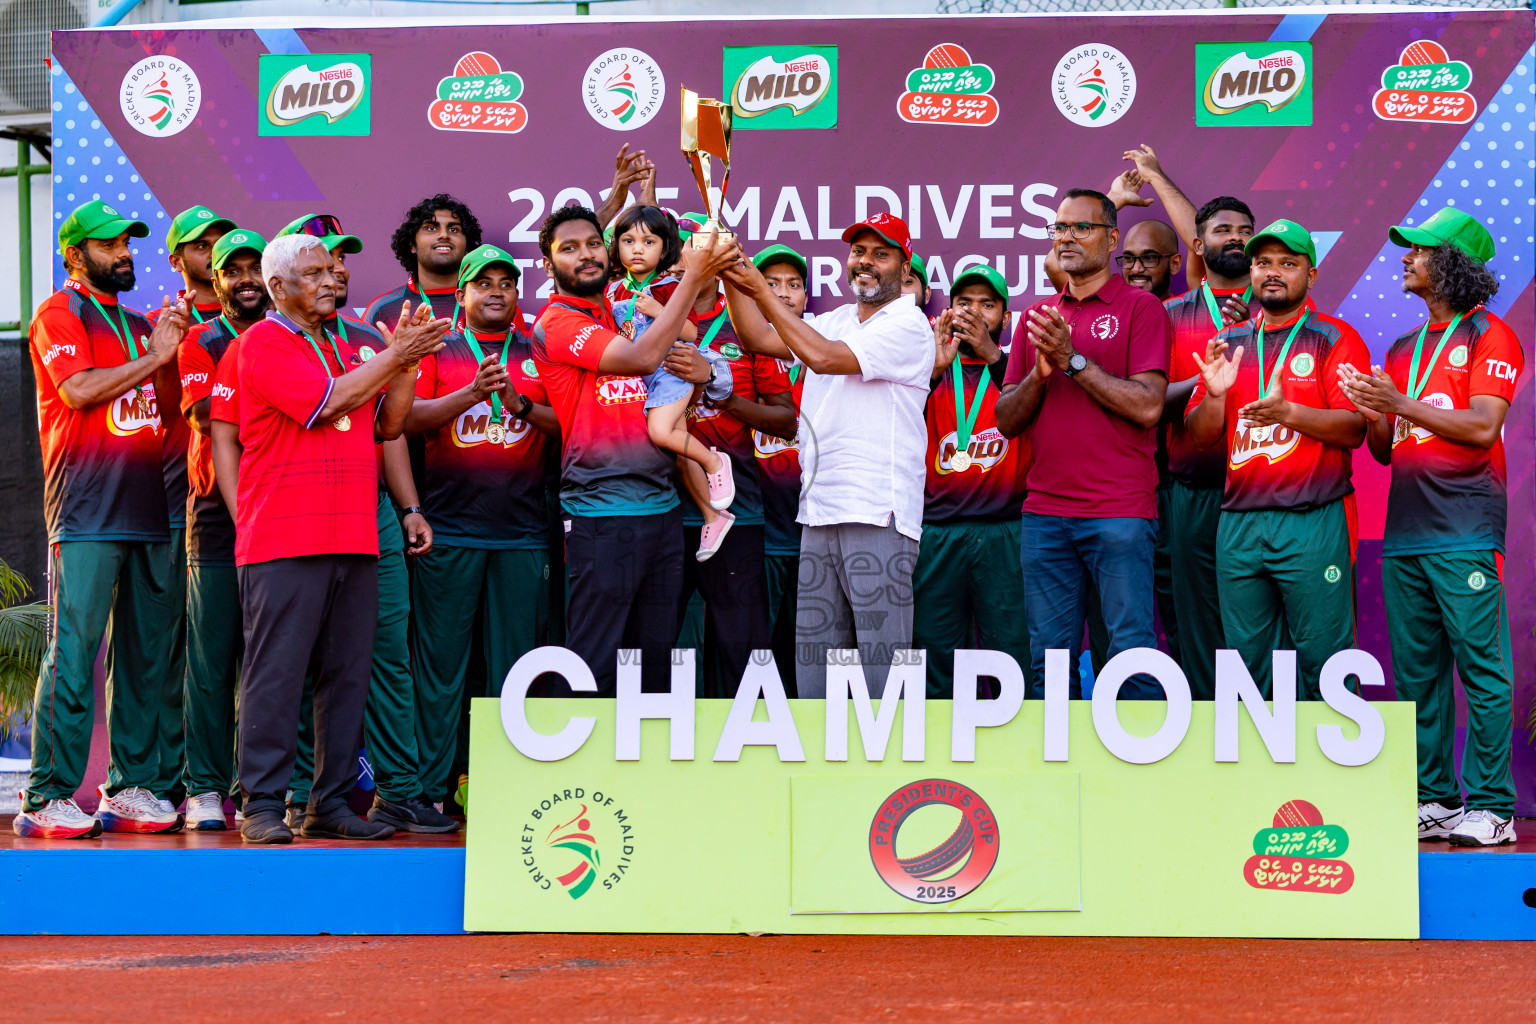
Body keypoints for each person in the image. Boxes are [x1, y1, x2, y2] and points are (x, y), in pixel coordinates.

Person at [233, 233, 448, 844]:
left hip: (354, 536)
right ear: (277, 288)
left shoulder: (343, 342)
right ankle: (265, 806)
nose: (331, 280)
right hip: (283, 539)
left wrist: (403, 364)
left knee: (348, 675)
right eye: (314, 273)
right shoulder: (264, 342)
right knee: (276, 675)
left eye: (333, 270)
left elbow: (391, 423)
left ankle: (328, 803)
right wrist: (393, 356)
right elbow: (326, 403)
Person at [1338, 208, 1522, 846]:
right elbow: (1387, 450)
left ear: (1452, 264)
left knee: (1481, 669)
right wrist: (1373, 410)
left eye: (1418, 250)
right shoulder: (1401, 348)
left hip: (1466, 526)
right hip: (1408, 530)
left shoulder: (1489, 336)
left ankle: (1494, 806)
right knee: (1418, 676)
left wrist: (1399, 402)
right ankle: (1438, 798)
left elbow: (1479, 428)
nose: (1405, 257)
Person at [14, 201, 191, 839]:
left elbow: (169, 414)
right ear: (74, 254)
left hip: (150, 508)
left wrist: (169, 353)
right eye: (108, 244)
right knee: (74, 651)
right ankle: (47, 795)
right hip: (87, 508)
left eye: (127, 242)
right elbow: (80, 391)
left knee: (144, 659)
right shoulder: (59, 313)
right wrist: (155, 356)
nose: (123, 252)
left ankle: (133, 787)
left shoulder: (143, 326)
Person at [724, 212, 932, 698]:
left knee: (884, 672)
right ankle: (824, 771)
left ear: (905, 270)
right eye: (859, 252)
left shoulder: (908, 325)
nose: (866, 262)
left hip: (877, 511)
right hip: (819, 512)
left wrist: (757, 286)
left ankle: (893, 769)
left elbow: (820, 357)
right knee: (817, 672)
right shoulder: (836, 319)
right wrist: (730, 273)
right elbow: (757, 338)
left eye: (881, 254)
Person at [532, 206, 737, 695]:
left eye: (592, 244)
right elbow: (640, 358)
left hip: (664, 510)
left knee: (654, 666)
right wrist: (695, 280)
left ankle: (646, 772)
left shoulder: (620, 308)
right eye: (569, 248)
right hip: (602, 513)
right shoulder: (557, 320)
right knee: (595, 664)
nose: (586, 255)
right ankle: (581, 771)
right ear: (547, 264)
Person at [994, 190, 1170, 699]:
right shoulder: (1039, 316)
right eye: (1060, 228)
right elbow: (1006, 420)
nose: (1067, 237)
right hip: (1045, 514)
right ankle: (1059, 778)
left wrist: (1073, 362)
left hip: (1119, 513)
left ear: (1112, 239)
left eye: (1081, 228)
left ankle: (1138, 775)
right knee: (1048, 663)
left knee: (1131, 657)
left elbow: (1147, 407)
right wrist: (1041, 375)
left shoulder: (1141, 308)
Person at [1185, 220, 1369, 699]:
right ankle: (1260, 772)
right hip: (1239, 522)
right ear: (1250, 271)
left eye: (1288, 264)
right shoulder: (1229, 342)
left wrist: (1290, 412)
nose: (1273, 272)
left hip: (1312, 517)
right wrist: (1212, 396)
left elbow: (1354, 429)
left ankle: (1331, 771)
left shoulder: (1334, 337)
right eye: (1264, 262)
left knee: (1324, 658)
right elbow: (1200, 436)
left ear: (1310, 275)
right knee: (1246, 663)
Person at [405, 244, 558, 809]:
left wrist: (517, 405)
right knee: (442, 669)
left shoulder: (538, 348)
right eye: (483, 283)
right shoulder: (437, 349)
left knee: (514, 672)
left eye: (507, 283)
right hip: (449, 531)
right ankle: (427, 791)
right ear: (462, 294)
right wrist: (470, 394)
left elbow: (568, 426)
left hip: (522, 534)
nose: (497, 291)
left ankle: (505, 793)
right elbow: (404, 422)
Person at [174, 228, 269, 830]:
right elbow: (211, 418)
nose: (246, 280)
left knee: (275, 660)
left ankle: (265, 786)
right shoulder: (200, 342)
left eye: (254, 268)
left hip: (283, 513)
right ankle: (205, 788)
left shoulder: (294, 338)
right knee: (212, 663)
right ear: (216, 280)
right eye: (232, 271)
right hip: (216, 517)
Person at [672, 255, 796, 695]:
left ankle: (743, 752)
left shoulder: (745, 328)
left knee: (740, 649)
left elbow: (786, 421)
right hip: (660, 508)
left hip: (735, 510)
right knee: (652, 647)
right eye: (685, 249)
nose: (695, 258)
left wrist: (720, 393)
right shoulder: (646, 313)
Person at [1154, 195, 1254, 699]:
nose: (1235, 238)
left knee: (1258, 623)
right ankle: (1209, 734)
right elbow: (1149, 403)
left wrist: (1256, 319)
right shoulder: (1167, 315)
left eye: (1244, 230)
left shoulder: (1278, 310)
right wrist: (1204, 383)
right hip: (1193, 489)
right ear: (1198, 244)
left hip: (1263, 493)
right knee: (1198, 623)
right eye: (1222, 230)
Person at [915, 265, 1030, 698]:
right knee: (933, 649)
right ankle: (939, 752)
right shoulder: (927, 369)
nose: (976, 312)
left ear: (1004, 316)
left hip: (1004, 530)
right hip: (937, 530)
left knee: (1010, 650)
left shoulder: (1020, 369)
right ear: (949, 312)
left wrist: (995, 357)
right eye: (965, 302)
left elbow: (1033, 413)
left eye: (988, 303)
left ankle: (1014, 750)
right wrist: (928, 371)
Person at [607, 204, 737, 558]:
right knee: (679, 453)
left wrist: (658, 311)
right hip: (640, 379)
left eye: (648, 242)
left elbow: (692, 332)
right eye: (628, 240)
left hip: (670, 371)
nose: (637, 248)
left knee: (661, 433)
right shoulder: (613, 290)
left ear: (665, 250)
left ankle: (715, 463)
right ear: (615, 247)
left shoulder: (672, 286)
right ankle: (714, 515)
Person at [749, 244, 811, 689]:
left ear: (806, 298)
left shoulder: (826, 353)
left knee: (808, 659)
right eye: (771, 284)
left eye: (793, 285)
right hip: (759, 535)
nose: (784, 294)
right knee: (755, 655)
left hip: (814, 536)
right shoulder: (736, 351)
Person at [364, 196, 483, 329]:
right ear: (412, 245)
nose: (444, 235)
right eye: (431, 228)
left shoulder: (489, 302)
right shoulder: (383, 309)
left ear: (467, 247)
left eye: (453, 229)